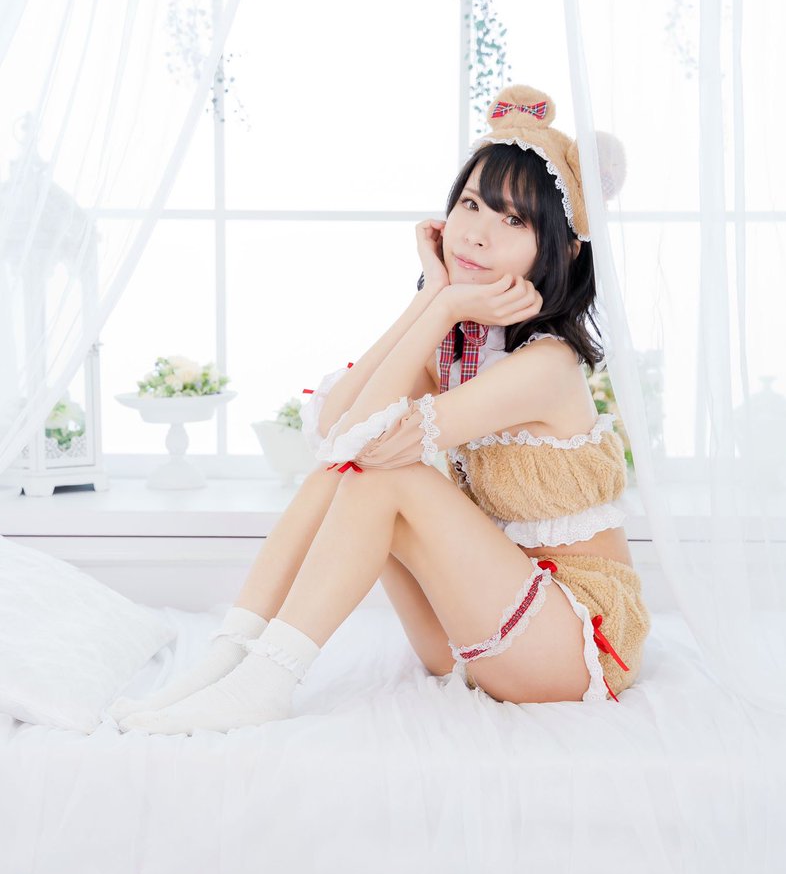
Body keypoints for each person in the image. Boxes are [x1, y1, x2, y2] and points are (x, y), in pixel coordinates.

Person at [116, 82, 650, 737]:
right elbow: (337, 435)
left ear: (561, 250)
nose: (477, 233)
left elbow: (368, 448)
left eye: (515, 221)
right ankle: (227, 662)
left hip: (571, 644)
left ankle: (265, 683)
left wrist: (445, 304)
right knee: (351, 469)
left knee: (386, 473)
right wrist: (432, 299)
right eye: (472, 203)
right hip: (479, 634)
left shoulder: (546, 366)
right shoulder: (458, 347)